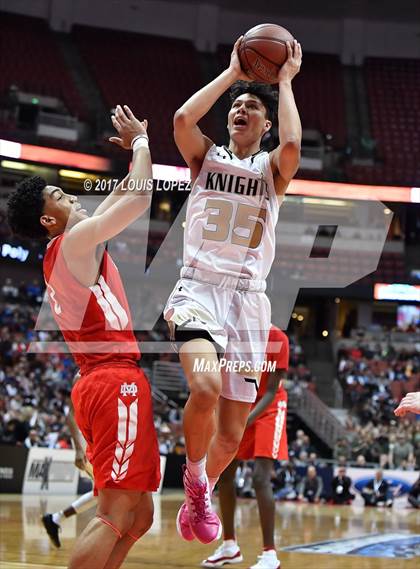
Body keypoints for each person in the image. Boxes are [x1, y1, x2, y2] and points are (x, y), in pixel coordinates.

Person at [7, 105, 160, 569]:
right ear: (48, 221)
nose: (72, 196)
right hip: (113, 382)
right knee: (117, 512)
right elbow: (138, 200)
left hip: (100, 382)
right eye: (60, 196)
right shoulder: (72, 243)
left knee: (140, 514)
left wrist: (133, 156)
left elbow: (117, 197)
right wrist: (141, 145)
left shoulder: (67, 248)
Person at [164, 35, 302, 545]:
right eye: (237, 106)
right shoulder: (205, 158)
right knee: (204, 386)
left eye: (252, 107)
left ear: (265, 125)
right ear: (229, 119)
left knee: (231, 432)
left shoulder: (271, 171)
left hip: (248, 302)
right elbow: (181, 121)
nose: (242, 109)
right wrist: (232, 74)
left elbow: (292, 148)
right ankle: (196, 478)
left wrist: (282, 81)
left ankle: (201, 481)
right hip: (199, 289)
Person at [202, 325, 289, 569]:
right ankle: (229, 546)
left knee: (260, 478)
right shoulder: (234, 336)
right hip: (240, 403)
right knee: (225, 474)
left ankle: (270, 555)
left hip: (268, 408)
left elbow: (271, 391)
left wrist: (244, 422)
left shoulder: (278, 338)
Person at [42, 372, 96, 548]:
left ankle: (55, 519)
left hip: (96, 436)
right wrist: (79, 450)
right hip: (86, 440)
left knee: (102, 493)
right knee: (107, 491)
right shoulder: (81, 375)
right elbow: (71, 416)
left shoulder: (106, 369)